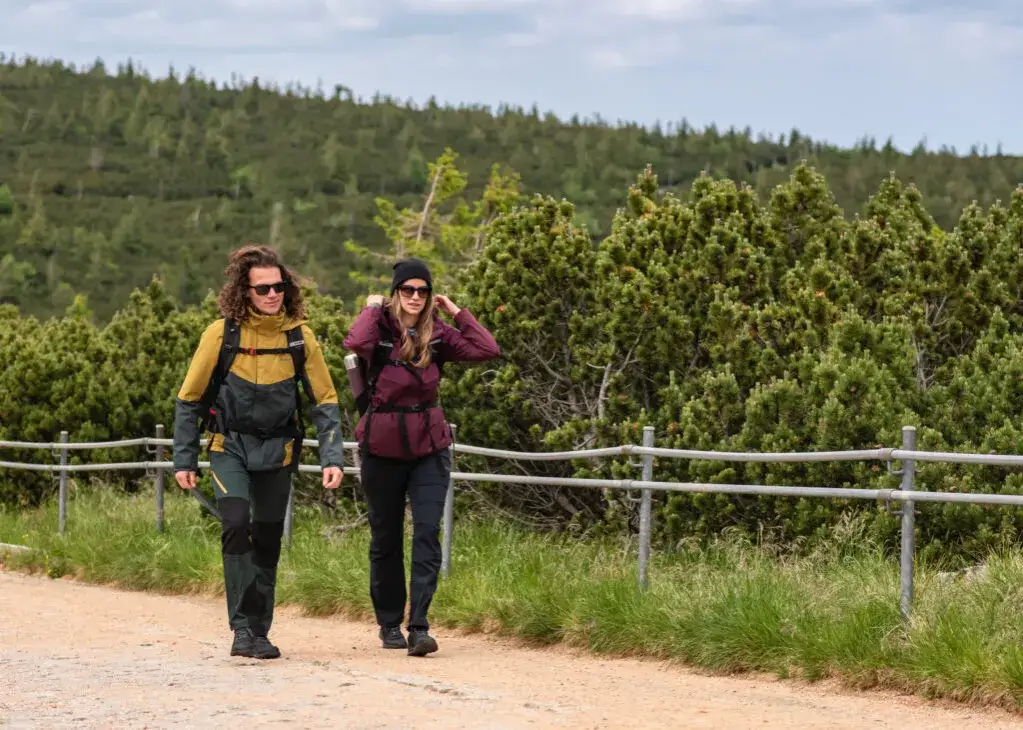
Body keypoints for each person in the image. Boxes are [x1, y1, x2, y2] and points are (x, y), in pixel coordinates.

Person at [173, 245, 345, 659]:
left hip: (279, 451)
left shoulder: (300, 338)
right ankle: (240, 631)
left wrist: (332, 457)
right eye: (262, 288)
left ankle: (259, 630)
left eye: (279, 286)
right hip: (227, 446)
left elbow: (325, 399)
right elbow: (189, 398)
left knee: (267, 538)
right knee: (236, 523)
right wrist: (184, 459)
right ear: (244, 291)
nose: (272, 294)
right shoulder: (221, 333)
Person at [343, 257, 500, 656]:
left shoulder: (439, 334)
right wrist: (371, 306)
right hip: (381, 448)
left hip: (429, 448)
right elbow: (355, 343)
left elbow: (487, 349)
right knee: (386, 538)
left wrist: (458, 312)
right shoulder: (378, 329)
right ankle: (389, 622)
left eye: (423, 290)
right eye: (408, 289)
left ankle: (420, 626)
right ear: (396, 292)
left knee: (428, 533)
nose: (416, 296)